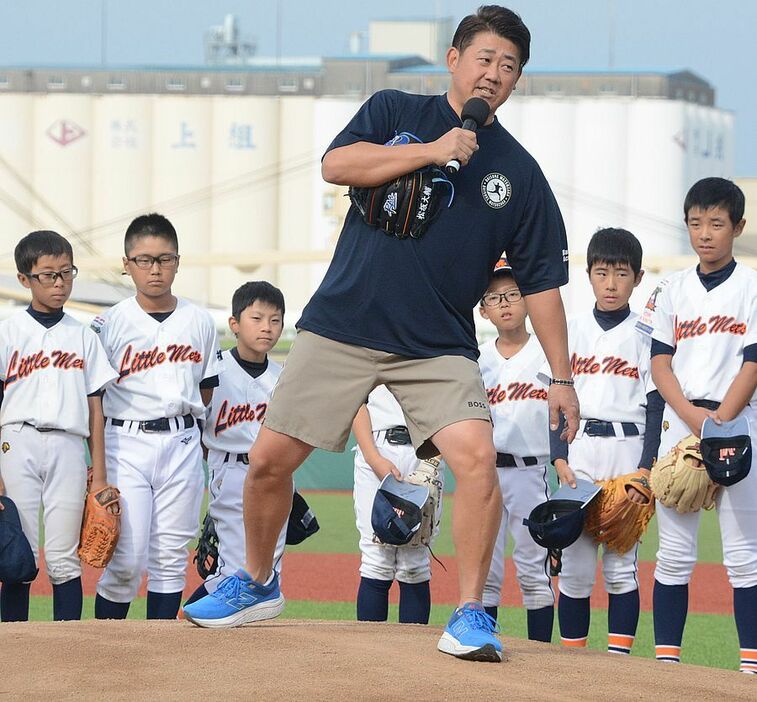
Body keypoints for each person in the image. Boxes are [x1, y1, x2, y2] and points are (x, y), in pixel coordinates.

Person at [183, 5, 579, 664]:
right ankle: (253, 583)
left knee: (476, 462)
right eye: (483, 58)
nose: (494, 74)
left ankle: (472, 613)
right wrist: (434, 150)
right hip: (343, 323)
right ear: (452, 60)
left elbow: (540, 282)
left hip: (437, 342)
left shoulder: (519, 174)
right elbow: (336, 165)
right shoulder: (396, 109)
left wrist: (562, 376)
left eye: (508, 67)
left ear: (516, 83)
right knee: (266, 463)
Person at [637, 178, 757, 673]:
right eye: (695, 223)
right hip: (682, 428)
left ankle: (750, 668)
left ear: (738, 227)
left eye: (716, 223)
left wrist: (720, 422)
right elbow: (660, 362)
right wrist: (692, 420)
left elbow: (753, 361)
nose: (704, 233)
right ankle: (668, 667)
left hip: (738, 423)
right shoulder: (672, 289)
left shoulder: (751, 285)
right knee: (674, 554)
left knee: (744, 555)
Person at [91, 213, 222, 620]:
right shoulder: (108, 323)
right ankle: (104, 655)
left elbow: (207, 387)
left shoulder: (200, 320)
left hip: (182, 440)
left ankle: (160, 666)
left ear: (178, 262)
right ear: (127, 264)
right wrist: (97, 471)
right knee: (126, 557)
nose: (155, 269)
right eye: (143, 260)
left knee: (169, 557)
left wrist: (196, 438)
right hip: (125, 441)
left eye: (164, 259)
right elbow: (94, 397)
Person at [551, 228, 660, 656]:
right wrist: (559, 459)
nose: (611, 283)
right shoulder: (571, 329)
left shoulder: (647, 334)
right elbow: (555, 401)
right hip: (579, 451)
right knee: (575, 570)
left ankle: (618, 664)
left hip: (627, 451)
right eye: (602, 272)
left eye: (621, 273)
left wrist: (646, 468)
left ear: (637, 277)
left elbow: (655, 407)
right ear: (588, 275)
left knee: (620, 569)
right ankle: (575, 663)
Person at [0, 230, 117, 621]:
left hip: (69, 444)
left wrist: (99, 475)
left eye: (66, 272)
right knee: (21, 554)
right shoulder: (8, 331)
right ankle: (14, 645)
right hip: (17, 441)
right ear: (24, 279)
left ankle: (71, 650)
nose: (59, 282)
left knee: (65, 558)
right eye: (47, 274)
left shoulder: (83, 336)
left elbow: (95, 408)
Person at [184, 281, 289, 607]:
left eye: (275, 320)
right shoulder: (215, 371)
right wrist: (218, 462)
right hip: (230, 469)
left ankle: (246, 644)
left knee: (268, 569)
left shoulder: (282, 375)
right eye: (256, 318)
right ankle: (193, 618)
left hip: (274, 476)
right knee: (234, 568)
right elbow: (199, 424)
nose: (266, 328)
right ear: (234, 324)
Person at [478, 258, 554, 642]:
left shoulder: (547, 352)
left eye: (513, 294)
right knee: (485, 571)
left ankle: (540, 660)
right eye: (495, 297)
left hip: (530, 471)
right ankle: (483, 645)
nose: (505, 303)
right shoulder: (475, 357)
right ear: (483, 309)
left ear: (527, 300)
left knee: (533, 569)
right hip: (486, 473)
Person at [352, 384, 444, 625]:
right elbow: (355, 400)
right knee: (376, 558)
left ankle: (411, 658)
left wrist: (433, 461)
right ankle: (370, 656)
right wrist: (373, 458)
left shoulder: (439, 346)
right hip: (377, 444)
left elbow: (449, 402)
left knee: (415, 561)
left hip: (427, 449)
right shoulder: (369, 346)